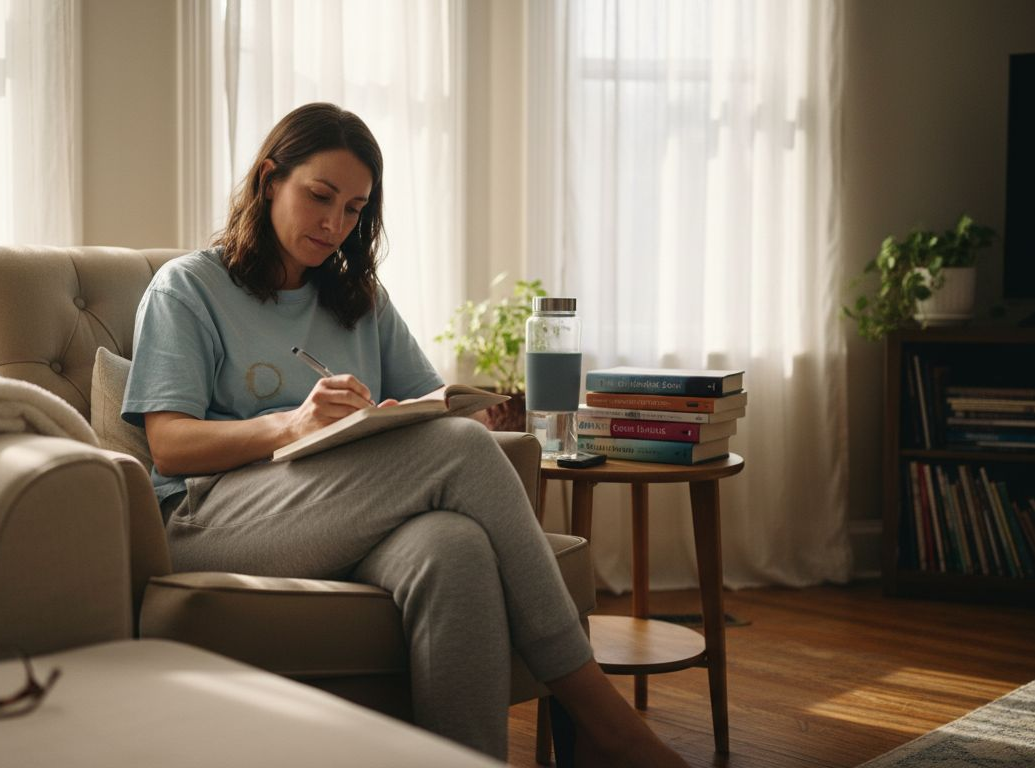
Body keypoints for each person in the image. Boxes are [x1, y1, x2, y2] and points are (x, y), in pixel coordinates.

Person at [122, 102, 688, 767]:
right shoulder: (187, 289)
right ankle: (602, 718)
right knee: (461, 459)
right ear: (270, 179)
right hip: (210, 518)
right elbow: (171, 445)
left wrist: (466, 414)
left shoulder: (360, 298)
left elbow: (428, 401)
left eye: (355, 209)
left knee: (455, 549)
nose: (335, 224)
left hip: (346, 509)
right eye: (320, 196)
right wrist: (294, 422)